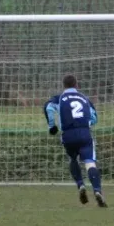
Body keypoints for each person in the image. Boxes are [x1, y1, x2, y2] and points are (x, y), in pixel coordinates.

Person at [45, 75, 105, 207]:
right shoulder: (85, 98)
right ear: (76, 85)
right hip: (84, 133)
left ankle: (80, 185)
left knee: (73, 159)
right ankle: (97, 191)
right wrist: (87, 122)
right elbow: (94, 117)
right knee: (90, 163)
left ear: (64, 85)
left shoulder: (59, 98)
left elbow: (48, 107)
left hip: (68, 134)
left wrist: (52, 126)